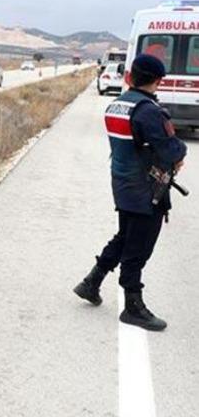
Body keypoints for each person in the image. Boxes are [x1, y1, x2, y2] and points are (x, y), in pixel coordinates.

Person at [73, 54, 187, 331]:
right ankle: (132, 306)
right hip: (147, 191)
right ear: (158, 80)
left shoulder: (116, 104)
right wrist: (180, 152)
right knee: (138, 248)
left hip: (122, 184)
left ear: (131, 75)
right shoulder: (149, 111)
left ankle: (92, 281)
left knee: (125, 237)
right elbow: (171, 150)